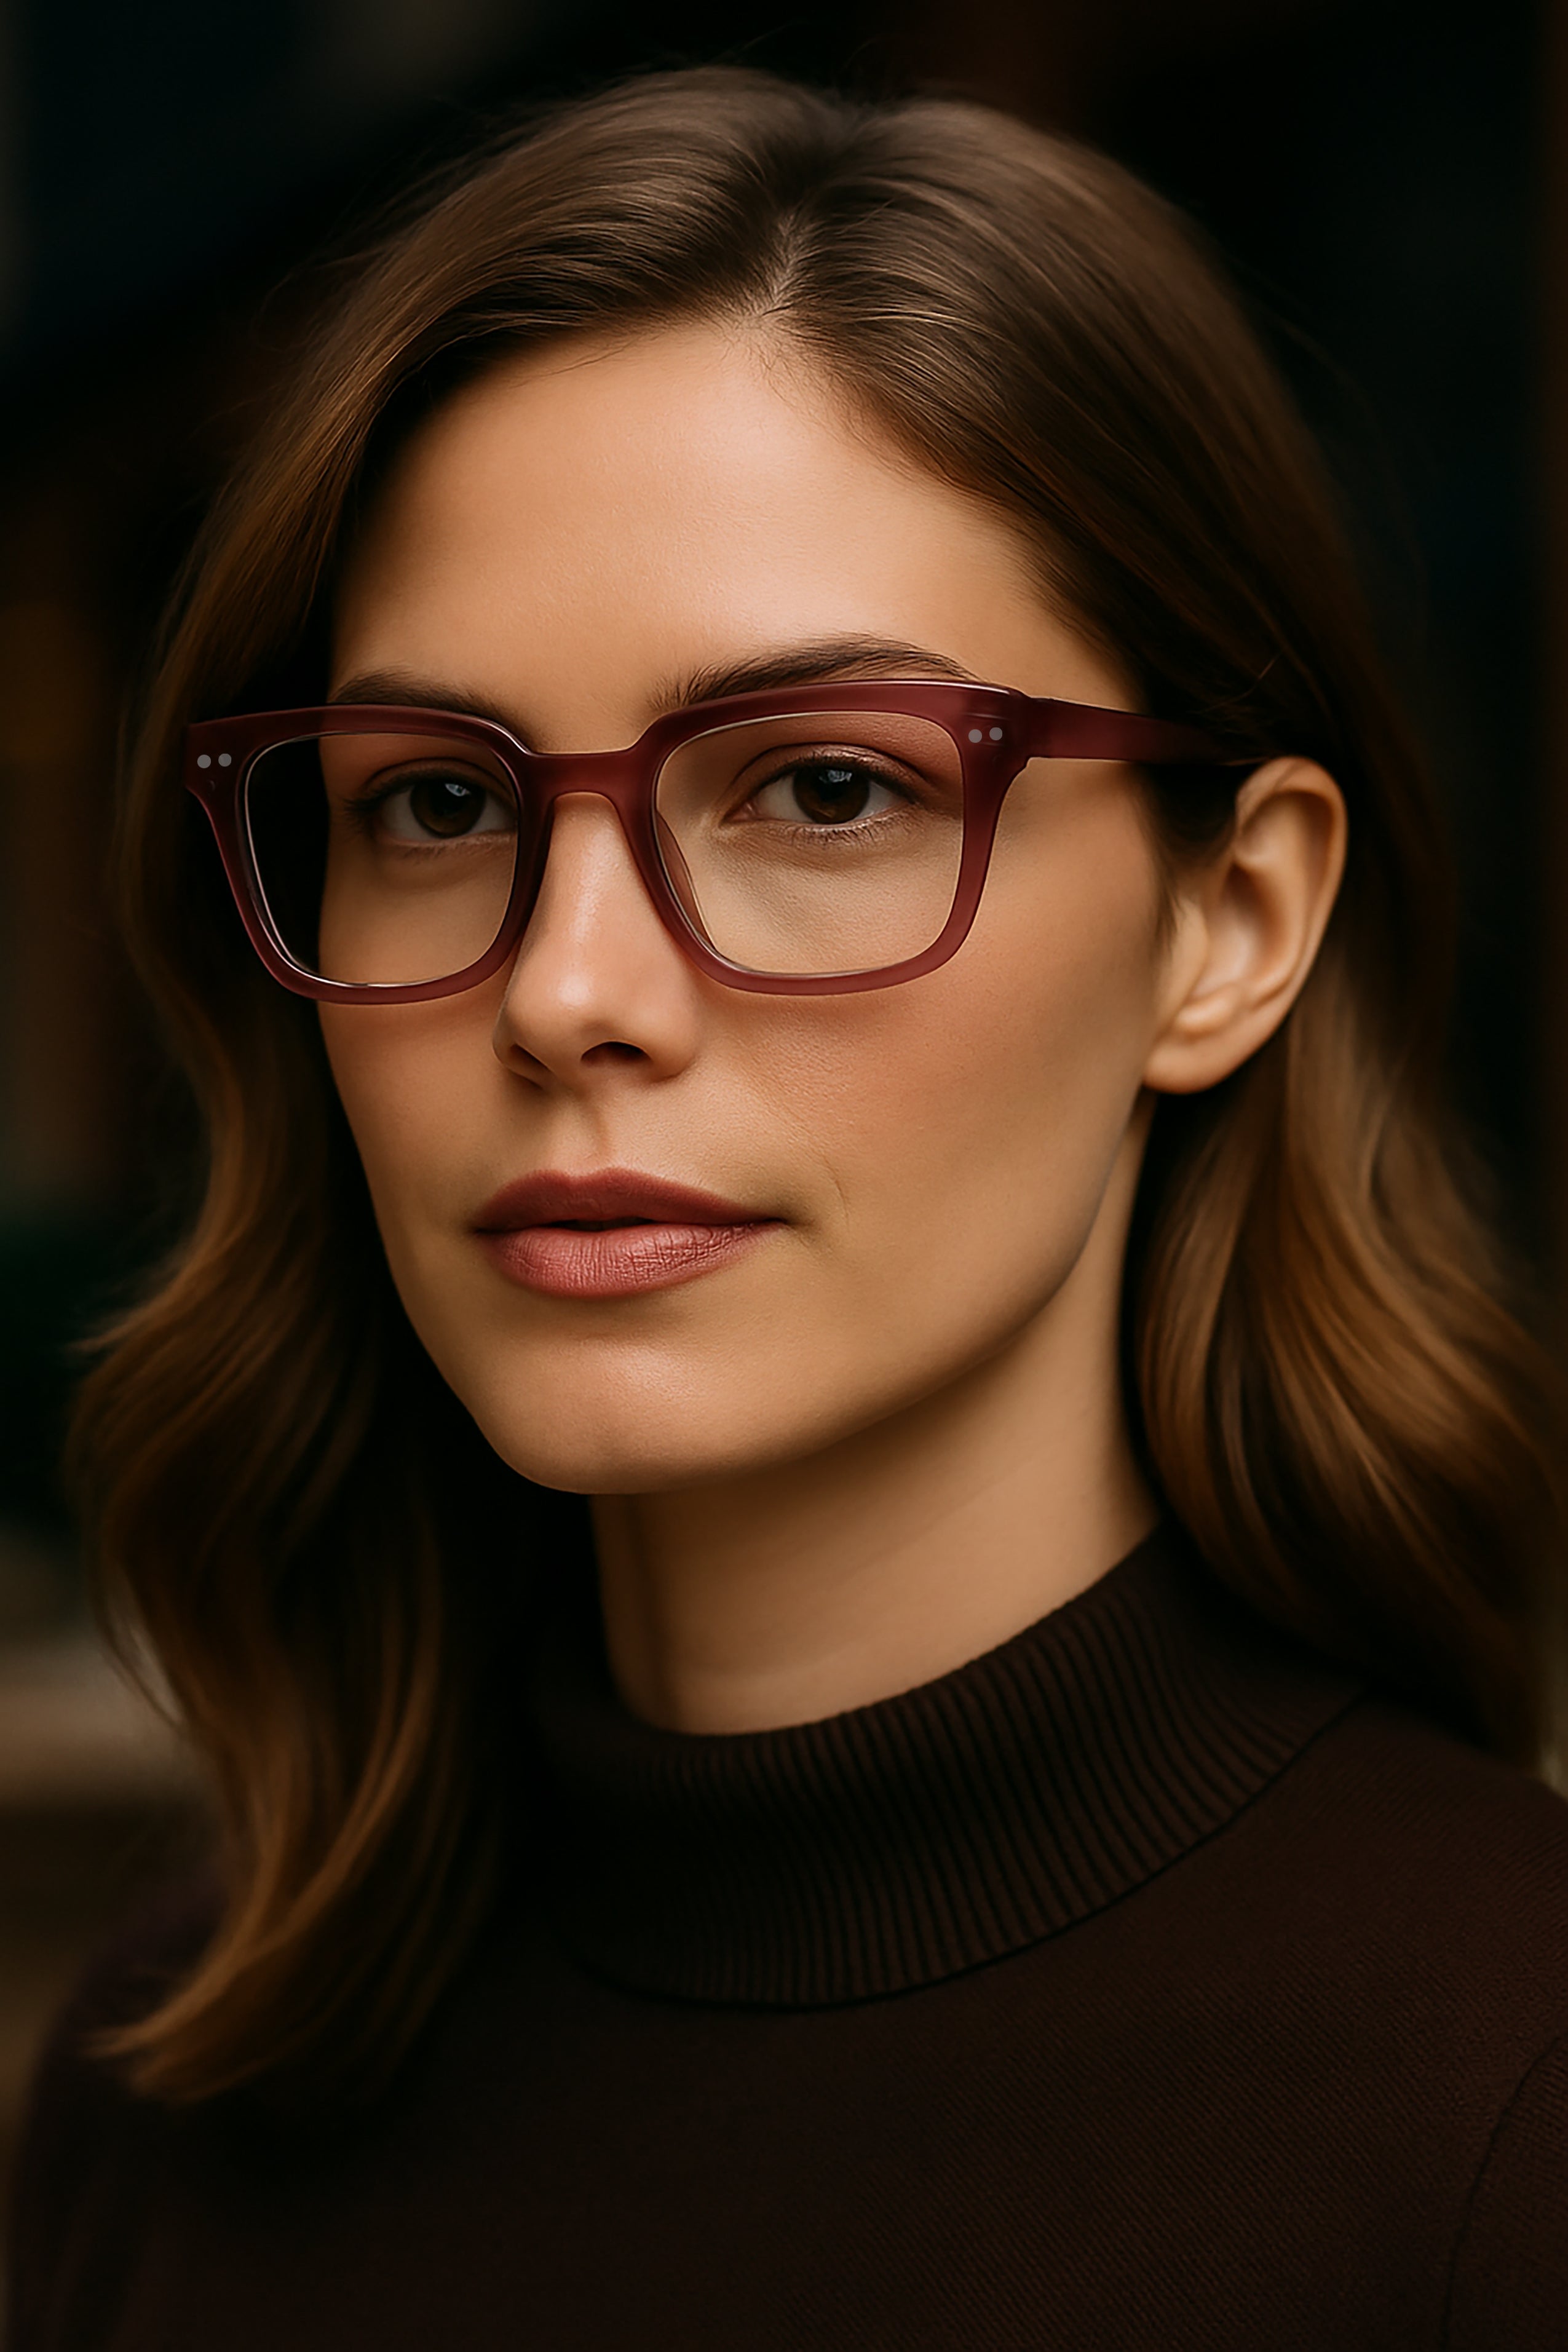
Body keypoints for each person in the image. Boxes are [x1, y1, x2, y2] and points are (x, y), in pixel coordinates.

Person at [8, 65, 1567, 2351]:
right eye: (436, 799)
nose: (565, 991)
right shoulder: (170, 2084)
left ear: (1229, 920)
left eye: (825, 787)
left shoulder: (1505, 2109)